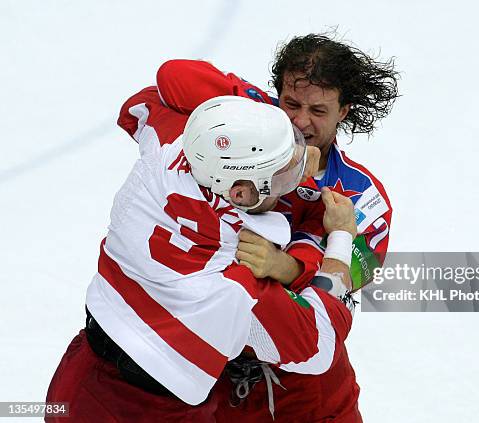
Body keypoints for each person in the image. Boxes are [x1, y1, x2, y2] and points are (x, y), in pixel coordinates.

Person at [134, 32, 400, 422]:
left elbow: (348, 279)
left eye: (319, 110)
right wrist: (249, 101)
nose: (301, 121)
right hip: (214, 366)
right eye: (291, 103)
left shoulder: (361, 194)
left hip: (308, 384)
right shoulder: (242, 129)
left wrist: (285, 266)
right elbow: (172, 77)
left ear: (344, 110)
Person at [45, 95, 359, 422]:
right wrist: (339, 240)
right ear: (240, 194)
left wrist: (236, 124)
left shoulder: (165, 154)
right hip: (156, 412)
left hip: (78, 380)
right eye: (279, 177)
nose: (293, 183)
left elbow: (142, 105)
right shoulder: (237, 281)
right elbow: (322, 343)